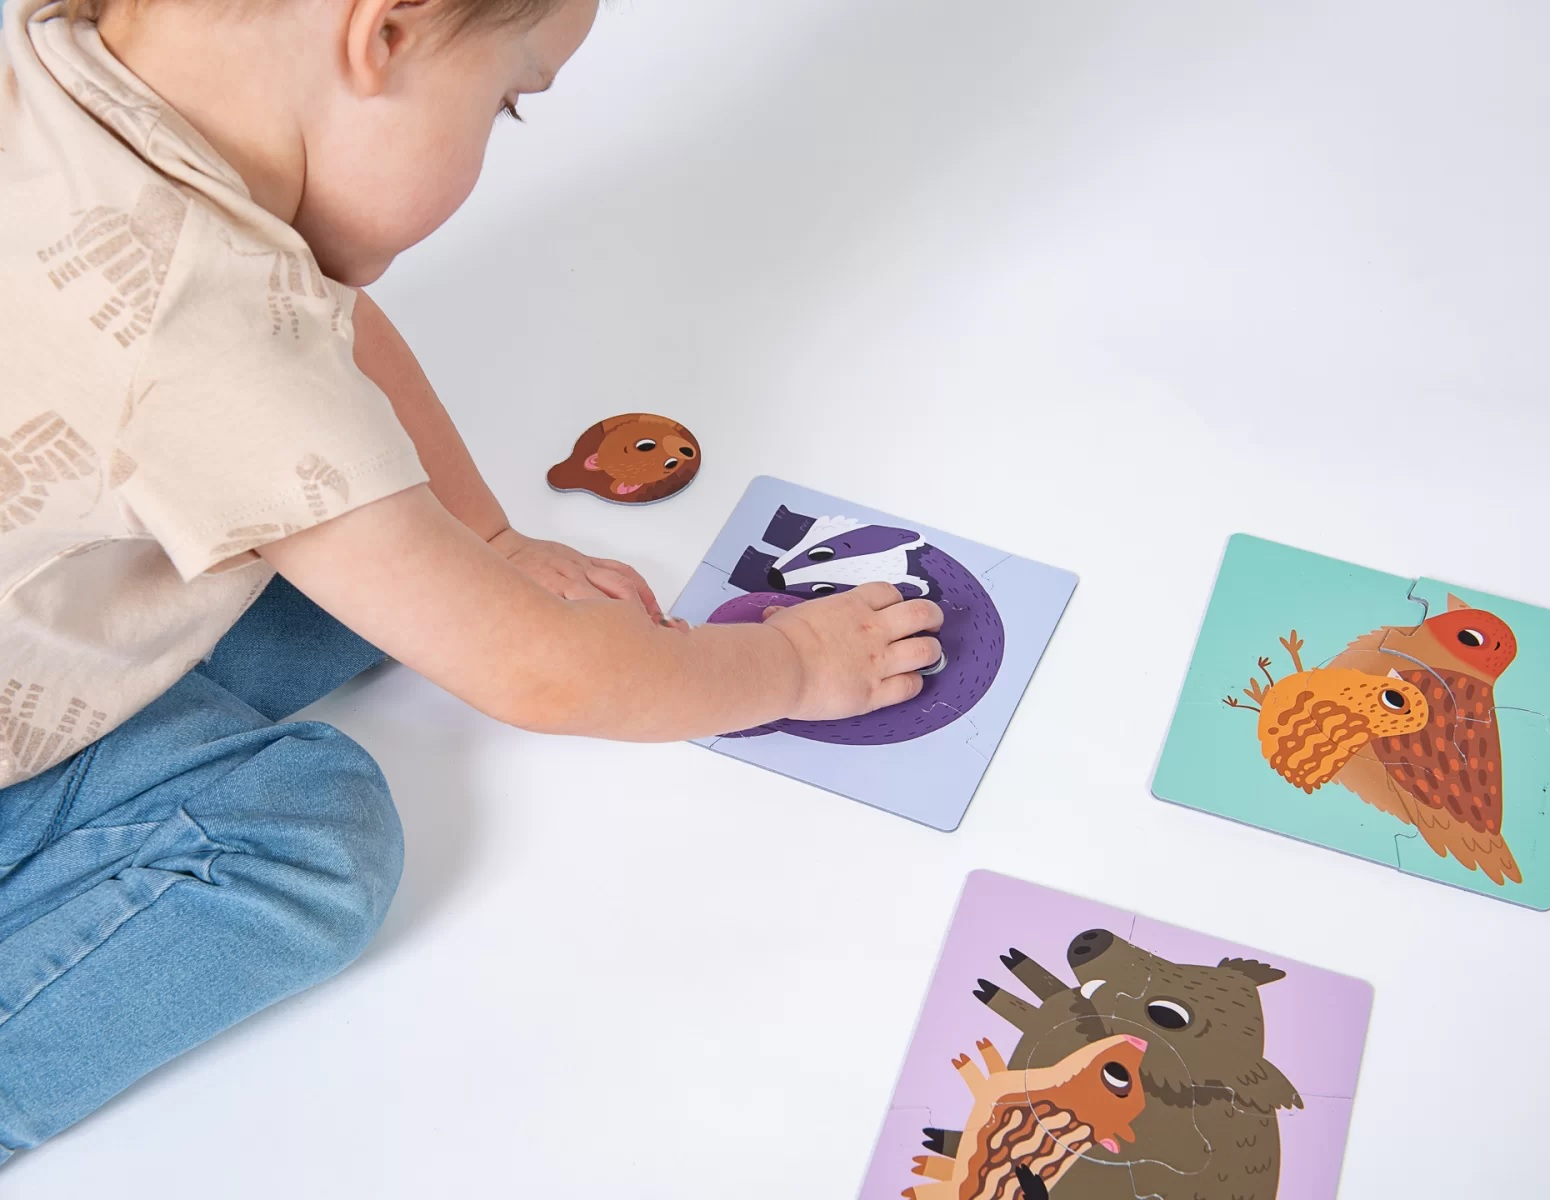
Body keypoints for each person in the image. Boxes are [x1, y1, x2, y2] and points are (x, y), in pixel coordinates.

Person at [0, 0, 943, 1164]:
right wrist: (785, 664)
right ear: (383, 35)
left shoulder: (63, 61)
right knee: (305, 831)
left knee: (370, 588)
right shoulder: (203, 327)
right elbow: (538, 675)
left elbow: (318, 330)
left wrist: (486, 539)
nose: (500, 132)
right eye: (507, 102)